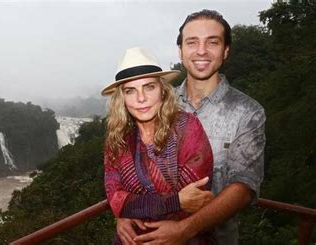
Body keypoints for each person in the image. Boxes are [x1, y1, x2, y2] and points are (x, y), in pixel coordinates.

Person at [133, 9, 266, 244]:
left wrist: (184, 230)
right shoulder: (155, 105)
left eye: (212, 42)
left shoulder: (247, 112)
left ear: (226, 50)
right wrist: (123, 214)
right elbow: (132, 171)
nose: (201, 51)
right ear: (181, 51)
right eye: (192, 42)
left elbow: (244, 187)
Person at [102, 47, 215, 244]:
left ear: (162, 90)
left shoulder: (187, 128)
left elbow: (196, 197)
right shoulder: (118, 139)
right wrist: (175, 200)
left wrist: (133, 206)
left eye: (149, 87)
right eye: (130, 91)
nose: (141, 98)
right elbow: (116, 200)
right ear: (122, 99)